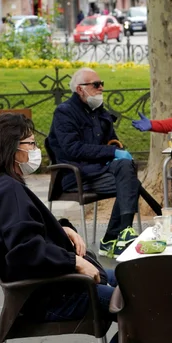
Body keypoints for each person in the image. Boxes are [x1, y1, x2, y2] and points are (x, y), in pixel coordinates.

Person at [0, 114, 167, 343]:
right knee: (146, 306)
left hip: (56, 283)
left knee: (142, 283)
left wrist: (63, 229)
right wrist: (74, 261)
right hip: (54, 293)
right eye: (30, 144)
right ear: (12, 148)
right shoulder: (8, 190)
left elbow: (27, 232)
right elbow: (25, 251)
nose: (35, 150)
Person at [46, 68, 141, 259]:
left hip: (100, 171)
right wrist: (112, 152)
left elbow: (112, 142)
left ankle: (117, 236)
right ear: (80, 89)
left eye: (102, 84)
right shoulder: (64, 113)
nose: (101, 89)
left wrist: (116, 151)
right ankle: (118, 236)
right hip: (76, 175)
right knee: (131, 182)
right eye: (96, 85)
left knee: (127, 172)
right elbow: (73, 149)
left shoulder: (100, 112)